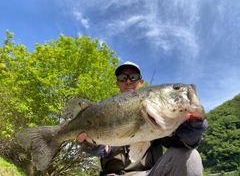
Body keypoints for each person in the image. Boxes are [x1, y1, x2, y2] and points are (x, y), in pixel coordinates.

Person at [77, 61, 208, 176]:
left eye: (133, 77)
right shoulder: (102, 111)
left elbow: (178, 142)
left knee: (190, 156)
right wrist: (91, 146)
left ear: (141, 82)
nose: (128, 81)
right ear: (117, 83)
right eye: (123, 78)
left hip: (150, 173)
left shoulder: (159, 112)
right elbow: (105, 150)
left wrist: (191, 131)